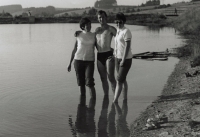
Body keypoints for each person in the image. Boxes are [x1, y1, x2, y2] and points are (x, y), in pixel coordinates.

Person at [68, 17, 96, 98]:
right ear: (83, 26)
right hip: (78, 61)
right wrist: (69, 63)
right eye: (87, 24)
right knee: (81, 84)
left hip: (89, 62)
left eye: (90, 24)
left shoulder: (94, 35)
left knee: (90, 83)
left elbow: (100, 46)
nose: (89, 26)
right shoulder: (78, 35)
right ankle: (82, 105)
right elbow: (74, 49)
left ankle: (92, 105)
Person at [95, 10, 117, 95]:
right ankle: (106, 98)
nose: (102, 19)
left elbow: (119, 40)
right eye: (100, 17)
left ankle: (116, 98)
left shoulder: (111, 28)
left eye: (103, 17)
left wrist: (115, 52)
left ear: (106, 18)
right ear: (98, 19)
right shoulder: (97, 30)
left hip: (109, 55)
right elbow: (91, 40)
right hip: (99, 55)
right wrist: (79, 33)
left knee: (111, 77)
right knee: (103, 78)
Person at [113, 12, 133, 103]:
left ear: (123, 22)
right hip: (117, 58)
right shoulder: (118, 31)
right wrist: (114, 55)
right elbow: (117, 45)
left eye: (120, 22)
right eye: (116, 22)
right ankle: (125, 99)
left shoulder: (126, 31)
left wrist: (123, 60)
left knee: (119, 80)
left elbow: (127, 46)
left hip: (125, 59)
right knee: (123, 79)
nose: (118, 24)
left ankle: (115, 101)